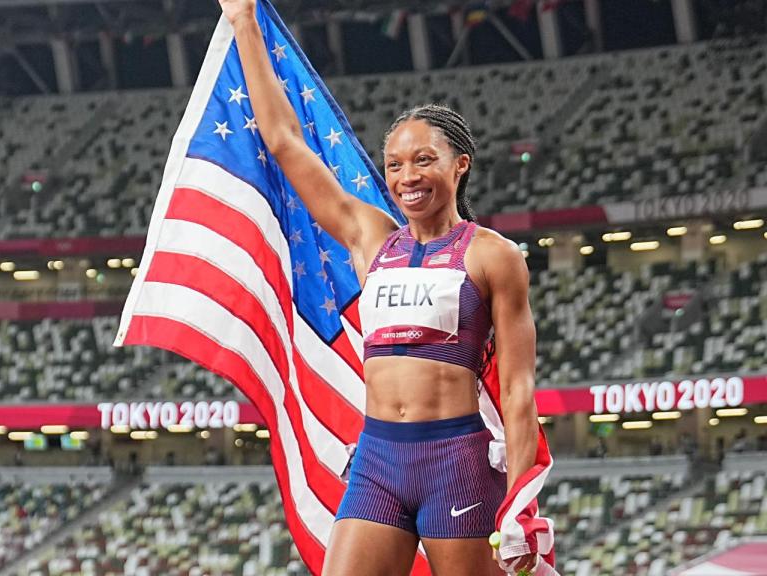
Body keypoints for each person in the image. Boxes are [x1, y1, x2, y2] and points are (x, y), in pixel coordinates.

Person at [218, 1, 541, 574]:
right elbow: (286, 143)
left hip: (457, 460)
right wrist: (244, 20)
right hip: (378, 461)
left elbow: (516, 392)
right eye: (394, 165)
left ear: (459, 164)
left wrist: (521, 501)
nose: (407, 177)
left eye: (423, 161)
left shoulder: (493, 255)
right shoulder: (371, 237)